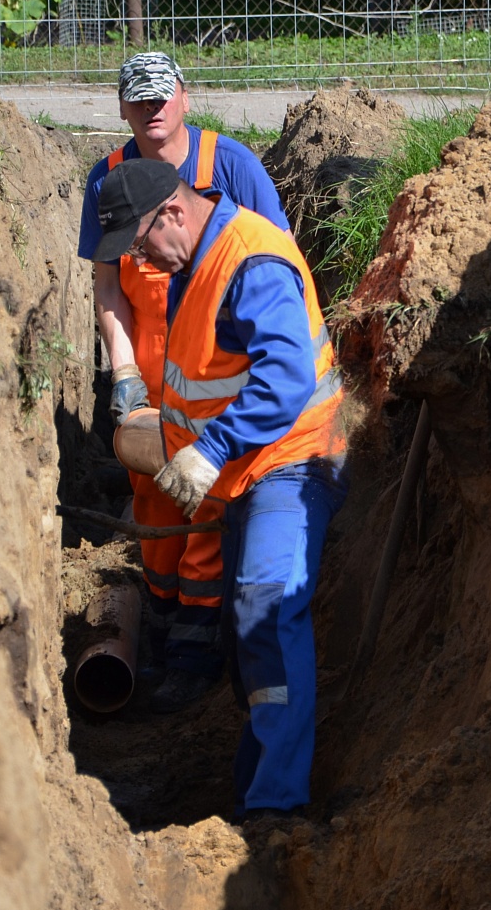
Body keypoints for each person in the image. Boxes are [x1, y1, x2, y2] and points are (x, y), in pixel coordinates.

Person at [91, 157, 348, 820]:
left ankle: (274, 806)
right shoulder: (193, 259)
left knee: (266, 608)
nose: (141, 260)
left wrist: (207, 450)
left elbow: (287, 376)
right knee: (244, 635)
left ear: (172, 213)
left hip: (292, 463)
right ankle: (251, 779)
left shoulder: (250, 261)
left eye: (142, 242)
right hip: (246, 474)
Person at [77, 51, 291, 713]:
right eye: (139, 100)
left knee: (204, 525)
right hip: (153, 382)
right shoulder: (107, 179)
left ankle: (196, 658)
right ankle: (166, 636)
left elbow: (273, 268)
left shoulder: (229, 169)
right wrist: (124, 374)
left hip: (216, 389)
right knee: (154, 510)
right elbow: (108, 285)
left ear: (185, 97)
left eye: (162, 96)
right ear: (122, 108)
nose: (153, 109)